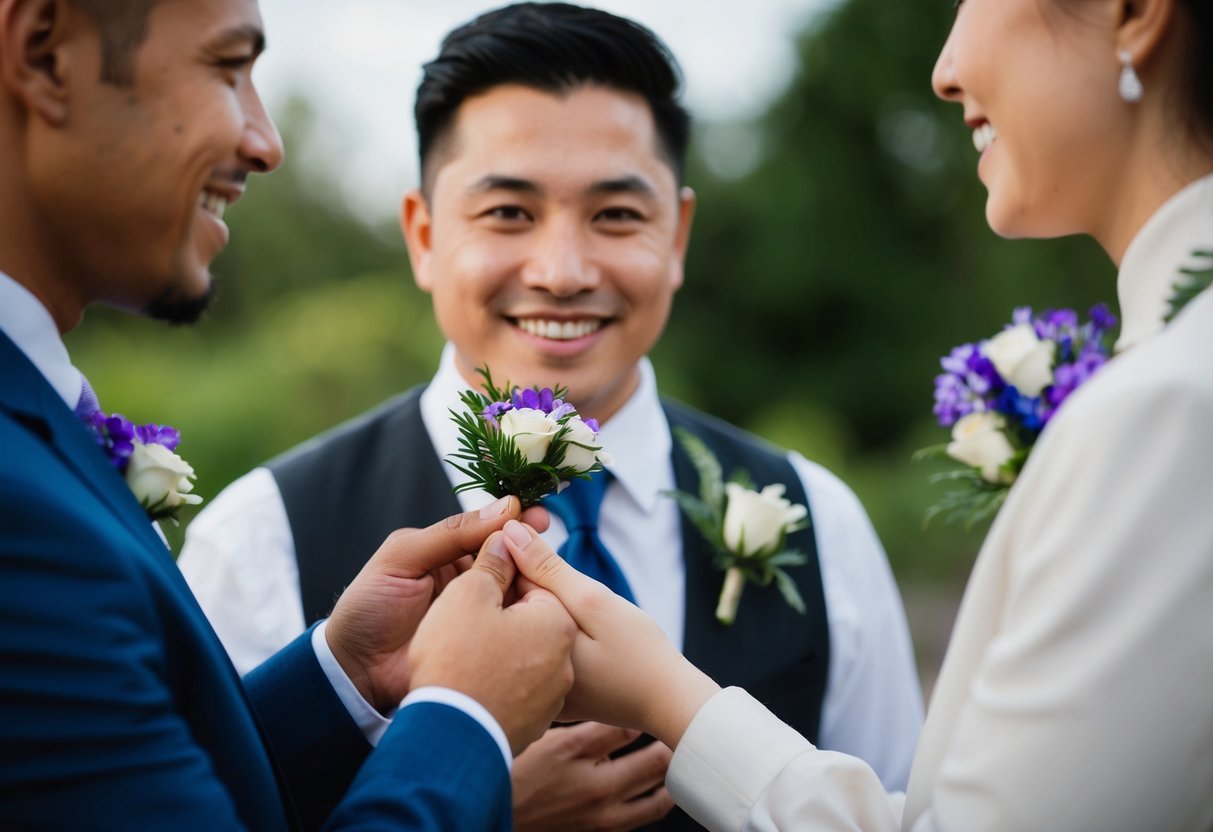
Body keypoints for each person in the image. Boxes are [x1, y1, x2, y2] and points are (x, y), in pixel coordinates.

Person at [178, 3, 924, 828]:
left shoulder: (821, 522)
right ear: (423, 236)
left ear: (676, 237)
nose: (563, 271)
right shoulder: (256, 537)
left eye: (615, 215)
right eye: (508, 213)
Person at [495, 0, 1213, 828]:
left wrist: (665, 693)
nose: (944, 69)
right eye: (509, 211)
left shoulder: (1167, 408)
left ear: (1131, 13)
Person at [0, 0, 577, 828]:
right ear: (46, 54)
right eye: (227, 68)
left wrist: (344, 678)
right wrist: (463, 722)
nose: (264, 142)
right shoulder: (18, 518)